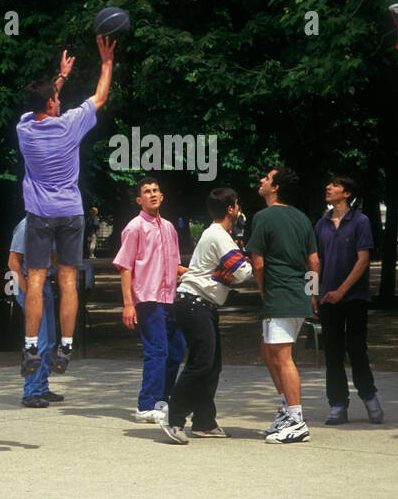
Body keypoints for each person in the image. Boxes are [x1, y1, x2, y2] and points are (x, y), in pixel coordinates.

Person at [15, 34, 115, 377]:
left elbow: (42, 102)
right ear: (54, 104)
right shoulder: (71, 125)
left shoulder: (24, 129)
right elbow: (100, 96)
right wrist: (105, 62)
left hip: (40, 215)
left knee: (37, 280)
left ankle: (30, 347)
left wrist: (60, 78)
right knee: (69, 281)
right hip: (70, 212)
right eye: (57, 97)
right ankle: (66, 347)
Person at [158, 188, 252, 444]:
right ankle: (173, 418)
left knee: (211, 365)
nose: (239, 209)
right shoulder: (218, 235)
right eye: (238, 205)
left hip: (200, 305)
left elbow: (229, 270)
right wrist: (237, 268)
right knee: (201, 364)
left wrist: (224, 272)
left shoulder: (217, 234)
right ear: (232, 209)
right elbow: (243, 272)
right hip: (194, 303)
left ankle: (204, 421)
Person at [247, 167, 319, 444]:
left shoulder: (262, 217)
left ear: (275, 188)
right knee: (268, 352)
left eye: (266, 178)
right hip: (297, 294)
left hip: (280, 296)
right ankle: (287, 411)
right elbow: (313, 261)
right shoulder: (301, 217)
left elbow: (258, 263)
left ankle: (297, 420)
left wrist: (264, 289)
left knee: (283, 356)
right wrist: (311, 294)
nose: (262, 180)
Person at [114, 177, 187, 424]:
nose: (152, 194)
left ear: (162, 196)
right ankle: (146, 405)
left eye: (156, 190)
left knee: (176, 350)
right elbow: (125, 267)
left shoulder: (168, 227)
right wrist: (128, 304)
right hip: (147, 297)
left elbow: (175, 265)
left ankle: (161, 401)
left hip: (169, 298)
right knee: (157, 350)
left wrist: (200, 272)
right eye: (147, 192)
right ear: (139, 199)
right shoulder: (134, 227)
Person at [315, 176, 383, 426]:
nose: (328, 187)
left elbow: (363, 260)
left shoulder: (360, 221)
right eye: (328, 184)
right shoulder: (321, 224)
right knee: (332, 353)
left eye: (334, 185)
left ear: (347, 193)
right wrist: (311, 292)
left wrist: (342, 291)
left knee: (356, 349)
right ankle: (337, 404)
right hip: (327, 299)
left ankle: (369, 396)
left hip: (354, 297)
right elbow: (315, 262)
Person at [8, 217, 62, 408]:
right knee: (39, 340)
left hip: (44, 283)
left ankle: (42, 387)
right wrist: (27, 291)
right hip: (29, 284)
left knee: (50, 340)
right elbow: (13, 263)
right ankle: (31, 392)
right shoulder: (26, 226)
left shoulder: (51, 225)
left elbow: (53, 256)